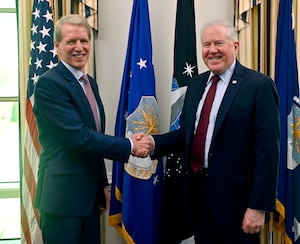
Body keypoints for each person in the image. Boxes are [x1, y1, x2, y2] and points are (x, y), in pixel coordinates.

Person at [148, 19, 280, 243]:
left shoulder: (258, 85)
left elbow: (267, 152)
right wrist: (153, 144)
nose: (212, 50)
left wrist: (257, 206)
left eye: (219, 43)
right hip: (198, 197)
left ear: (235, 46)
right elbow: (185, 135)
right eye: (206, 44)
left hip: (238, 205)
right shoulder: (197, 85)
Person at [33, 14, 151, 243]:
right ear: (57, 46)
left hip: (89, 198)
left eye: (84, 41)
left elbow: (93, 139)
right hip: (63, 201)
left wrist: (102, 186)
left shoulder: (88, 82)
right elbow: (80, 138)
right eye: (71, 42)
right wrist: (130, 145)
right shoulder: (50, 84)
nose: (79, 47)